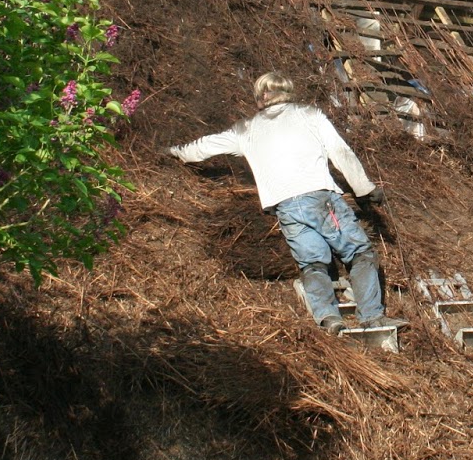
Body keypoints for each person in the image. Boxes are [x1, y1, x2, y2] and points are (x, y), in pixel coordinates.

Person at [168, 73, 401, 335]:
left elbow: (205, 146)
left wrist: (175, 152)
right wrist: (364, 189)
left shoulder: (246, 128)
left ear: (262, 96)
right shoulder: (309, 114)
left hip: (286, 207)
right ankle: (371, 317)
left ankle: (328, 317)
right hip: (321, 200)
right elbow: (341, 152)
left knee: (312, 262)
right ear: (287, 91)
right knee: (359, 253)